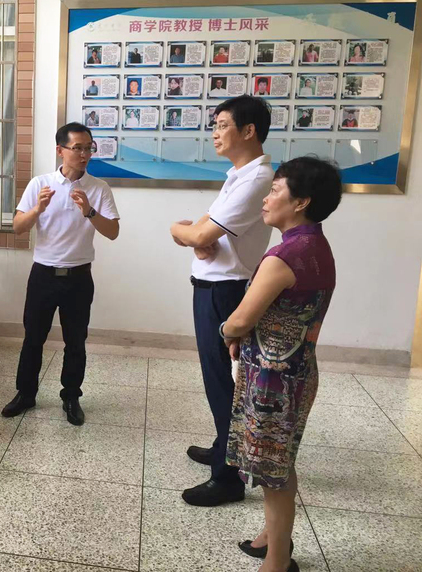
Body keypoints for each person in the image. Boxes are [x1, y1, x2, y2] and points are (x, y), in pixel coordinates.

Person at [222, 157, 342, 572]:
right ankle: (273, 537)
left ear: (301, 201)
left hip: (272, 382)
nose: (266, 198)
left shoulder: (284, 256)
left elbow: (241, 319)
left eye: (275, 190)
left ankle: (277, 561)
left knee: (273, 471)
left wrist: (226, 330)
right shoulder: (317, 247)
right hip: (299, 372)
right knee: (277, 463)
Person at [169, 95, 274, 507]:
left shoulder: (255, 180)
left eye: (222, 124)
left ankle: (228, 476)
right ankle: (223, 446)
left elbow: (199, 233)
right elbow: (204, 233)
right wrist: (195, 238)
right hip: (213, 285)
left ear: (249, 131)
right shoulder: (238, 175)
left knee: (220, 379)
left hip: (225, 290)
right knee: (215, 376)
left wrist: (177, 229)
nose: (215, 132)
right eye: (214, 124)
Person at [1, 122, 120, 426]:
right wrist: (37, 209)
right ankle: (26, 394)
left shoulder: (99, 188)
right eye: (77, 148)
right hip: (43, 274)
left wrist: (90, 211)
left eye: (88, 148)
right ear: (60, 150)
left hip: (79, 277)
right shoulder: (40, 184)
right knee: (33, 338)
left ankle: (71, 396)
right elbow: (18, 227)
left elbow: (113, 232)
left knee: (76, 341)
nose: (84, 154)